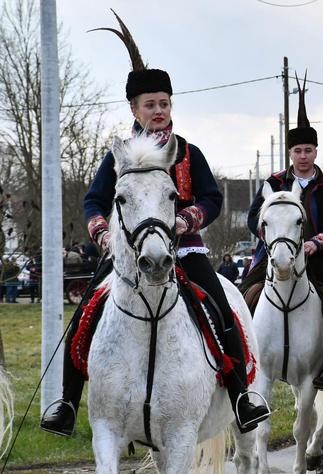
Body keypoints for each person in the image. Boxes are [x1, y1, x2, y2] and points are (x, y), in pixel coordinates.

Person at [40, 13, 269, 437]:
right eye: (151, 105)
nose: (159, 111)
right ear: (134, 109)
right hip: (130, 254)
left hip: (186, 251)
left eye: (165, 103)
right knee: (85, 314)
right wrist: (102, 232)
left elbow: (212, 198)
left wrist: (187, 218)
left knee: (220, 310)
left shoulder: (188, 152)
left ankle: (241, 396)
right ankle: (68, 403)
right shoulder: (118, 155)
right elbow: (94, 200)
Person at [242, 74, 323, 389]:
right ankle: (245, 361)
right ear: (290, 153)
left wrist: (317, 242)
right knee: (246, 296)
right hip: (274, 255)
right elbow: (252, 218)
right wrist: (273, 242)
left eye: (308, 150)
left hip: (318, 258)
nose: (303, 156)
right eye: (298, 150)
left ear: (315, 152)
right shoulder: (274, 183)